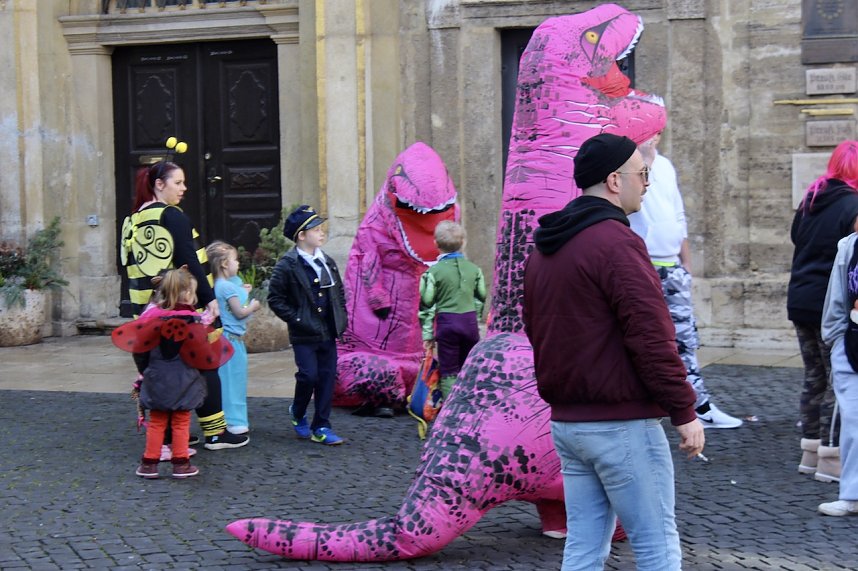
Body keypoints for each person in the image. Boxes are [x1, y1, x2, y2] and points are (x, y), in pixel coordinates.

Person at [523, 133, 705, 570]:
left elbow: (535, 330)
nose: (647, 184)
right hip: (620, 423)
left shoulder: (544, 248)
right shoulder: (616, 244)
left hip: (568, 422)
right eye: (642, 174)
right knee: (656, 545)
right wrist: (684, 411)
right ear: (612, 180)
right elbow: (652, 337)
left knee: (583, 548)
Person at [120, 160, 248, 451]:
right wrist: (210, 300)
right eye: (178, 182)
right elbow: (190, 261)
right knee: (206, 363)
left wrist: (132, 308)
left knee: (161, 367)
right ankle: (215, 433)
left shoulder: (132, 220)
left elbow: (127, 267)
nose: (184, 188)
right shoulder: (171, 216)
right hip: (184, 308)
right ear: (159, 184)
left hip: (150, 311)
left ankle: (168, 434)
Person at [627, 131, 743, 429]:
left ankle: (697, 404)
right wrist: (644, 158)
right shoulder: (629, 165)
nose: (658, 136)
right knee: (645, 338)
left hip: (672, 266)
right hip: (644, 264)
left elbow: (677, 214)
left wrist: (686, 262)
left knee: (684, 338)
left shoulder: (665, 165)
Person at [789, 141, 858, 483]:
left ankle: (811, 452)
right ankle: (832, 460)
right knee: (839, 382)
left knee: (814, 378)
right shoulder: (853, 206)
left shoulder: (811, 199)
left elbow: (796, 240)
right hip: (830, 304)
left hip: (801, 300)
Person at [268, 205, 348, 445]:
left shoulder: (328, 261)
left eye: (322, 228)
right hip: (304, 334)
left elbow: (339, 292)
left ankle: (322, 425)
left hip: (328, 331)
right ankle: (298, 409)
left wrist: (341, 316)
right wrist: (298, 319)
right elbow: (275, 299)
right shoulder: (288, 265)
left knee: (327, 377)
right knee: (308, 376)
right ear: (301, 236)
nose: (322, 233)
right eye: (316, 229)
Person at [131, 268, 209, 479]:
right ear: (186, 294)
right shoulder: (194, 321)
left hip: (157, 376)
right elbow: (202, 352)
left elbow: (140, 349)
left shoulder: (152, 318)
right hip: (185, 378)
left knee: (157, 421)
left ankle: (149, 464)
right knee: (181, 421)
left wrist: (144, 371)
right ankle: (181, 464)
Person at [418, 221, 487, 398]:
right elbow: (480, 297)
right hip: (469, 323)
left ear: (435, 243)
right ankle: (468, 405)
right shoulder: (475, 269)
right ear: (463, 242)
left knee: (449, 370)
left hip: (447, 324)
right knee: (468, 367)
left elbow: (427, 305)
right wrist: (476, 318)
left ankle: (450, 411)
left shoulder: (432, 272)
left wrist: (427, 335)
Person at [819, 221, 858, 515]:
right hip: (852, 345)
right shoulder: (850, 246)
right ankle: (853, 495)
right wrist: (837, 346)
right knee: (854, 424)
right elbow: (837, 298)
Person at [207, 240, 262, 437]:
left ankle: (224, 419)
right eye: (235, 260)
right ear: (224, 264)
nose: (238, 264)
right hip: (232, 341)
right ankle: (234, 421)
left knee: (226, 381)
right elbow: (239, 312)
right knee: (234, 382)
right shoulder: (227, 288)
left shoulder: (217, 286)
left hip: (222, 340)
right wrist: (253, 306)